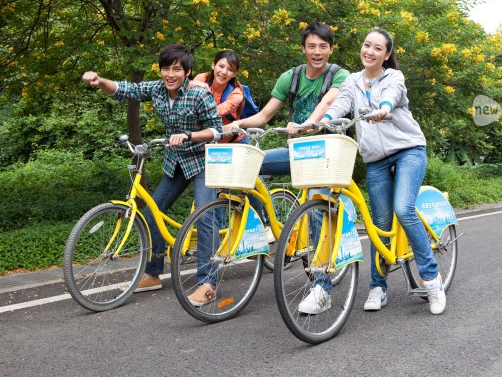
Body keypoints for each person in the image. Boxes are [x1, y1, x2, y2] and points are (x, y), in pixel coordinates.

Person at [310, 28, 447, 315]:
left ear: (386, 55)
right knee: (379, 223)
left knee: (403, 209)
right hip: (376, 159)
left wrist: (383, 109)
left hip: (408, 150)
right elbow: (341, 105)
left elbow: (392, 96)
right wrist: (321, 122)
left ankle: (432, 280)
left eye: (377, 48)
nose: (369, 51)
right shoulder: (352, 80)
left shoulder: (393, 77)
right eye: (366, 45)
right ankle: (378, 287)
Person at [81, 44, 223, 306]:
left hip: (203, 161)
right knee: (152, 212)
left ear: (187, 72)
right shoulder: (157, 88)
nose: (170, 74)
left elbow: (217, 131)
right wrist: (99, 80)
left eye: (177, 69)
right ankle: (153, 273)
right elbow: (125, 90)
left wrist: (189, 135)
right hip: (175, 162)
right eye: (166, 69)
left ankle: (208, 283)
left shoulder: (198, 95)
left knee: (205, 216)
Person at [225, 23, 350, 175]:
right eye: (311, 46)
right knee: (247, 164)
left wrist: (304, 125)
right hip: (298, 149)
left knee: (318, 195)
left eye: (323, 46)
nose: (317, 52)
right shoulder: (290, 78)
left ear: (331, 49)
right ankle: (267, 200)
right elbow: (264, 115)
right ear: (303, 48)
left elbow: (327, 103)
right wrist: (238, 123)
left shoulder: (340, 75)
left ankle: (337, 198)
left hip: (329, 151)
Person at [189, 49, 247, 144]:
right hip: (207, 140)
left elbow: (213, 113)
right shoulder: (201, 79)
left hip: (233, 141)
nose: (224, 72)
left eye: (230, 69)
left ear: (234, 74)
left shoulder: (236, 94)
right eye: (221, 66)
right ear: (213, 65)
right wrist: (192, 84)